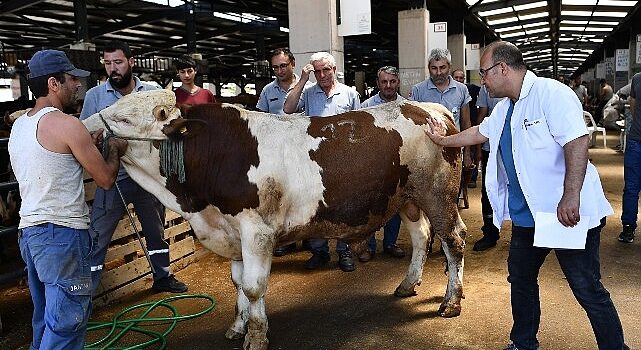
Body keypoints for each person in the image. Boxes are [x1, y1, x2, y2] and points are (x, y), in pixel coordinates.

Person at [424, 41, 628, 350]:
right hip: (528, 217)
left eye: (484, 72)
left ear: (502, 68)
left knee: (586, 288)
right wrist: (443, 139)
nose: (483, 80)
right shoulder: (506, 107)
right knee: (520, 280)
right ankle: (523, 342)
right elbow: (480, 131)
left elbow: (577, 142)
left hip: (564, 214)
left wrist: (570, 196)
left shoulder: (552, 94)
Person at [9, 49, 127, 349]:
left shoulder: (19, 125)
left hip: (31, 234)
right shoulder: (66, 124)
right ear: (53, 83)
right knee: (67, 323)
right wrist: (113, 149)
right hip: (61, 235)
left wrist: (85, 144)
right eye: (72, 79)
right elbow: (105, 179)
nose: (78, 85)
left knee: (45, 318)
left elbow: (48, 162)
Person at [81, 40, 187, 293]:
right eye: (107, 63)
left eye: (118, 62)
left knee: (155, 229)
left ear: (131, 61)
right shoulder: (94, 97)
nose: (112, 68)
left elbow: (170, 131)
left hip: (148, 176)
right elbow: (84, 135)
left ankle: (162, 277)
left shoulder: (152, 93)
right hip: (113, 177)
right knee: (98, 233)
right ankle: (88, 290)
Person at [283, 51, 360, 272]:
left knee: (344, 206)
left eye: (326, 70)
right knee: (316, 206)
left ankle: (344, 250)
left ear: (335, 70)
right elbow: (288, 109)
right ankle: (319, 251)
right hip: (315, 162)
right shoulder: (308, 93)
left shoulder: (349, 94)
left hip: (344, 159)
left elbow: (360, 125)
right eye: (317, 71)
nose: (322, 75)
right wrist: (303, 80)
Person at [256, 48, 312, 257]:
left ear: (293, 64)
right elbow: (260, 119)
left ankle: (308, 237)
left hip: (303, 152)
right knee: (281, 194)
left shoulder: (310, 88)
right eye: (275, 67)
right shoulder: (267, 92)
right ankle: (287, 238)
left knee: (305, 194)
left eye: (283, 66)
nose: (279, 70)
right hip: (277, 154)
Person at [358, 66, 406, 262]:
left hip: (398, 165)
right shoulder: (365, 107)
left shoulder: (407, 107)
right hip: (371, 166)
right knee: (370, 206)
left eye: (392, 81)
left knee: (394, 205)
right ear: (377, 83)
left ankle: (390, 243)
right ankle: (369, 246)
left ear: (398, 83)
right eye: (384, 81)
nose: (388, 85)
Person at [409, 48, 472, 169]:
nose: (438, 72)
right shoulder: (417, 90)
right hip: (426, 151)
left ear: (449, 67)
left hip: (455, 148)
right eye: (434, 68)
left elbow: (466, 123)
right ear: (429, 68)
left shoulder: (461, 90)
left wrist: (467, 153)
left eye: (442, 67)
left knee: (454, 185)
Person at [472, 85, 503, 251]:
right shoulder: (487, 88)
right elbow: (481, 119)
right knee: (489, 190)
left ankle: (529, 234)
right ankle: (490, 233)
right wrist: (478, 149)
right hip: (490, 149)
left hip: (518, 151)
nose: (484, 78)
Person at [619, 72, 641, 244]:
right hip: (636, 141)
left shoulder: (637, 78)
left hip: (636, 140)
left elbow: (632, 105)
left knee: (632, 187)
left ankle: (628, 229)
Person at [452, 68, 481, 188]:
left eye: (461, 78)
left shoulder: (472, 89)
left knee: (471, 153)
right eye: (456, 78)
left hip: (470, 127)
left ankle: (471, 178)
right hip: (454, 132)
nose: (459, 80)